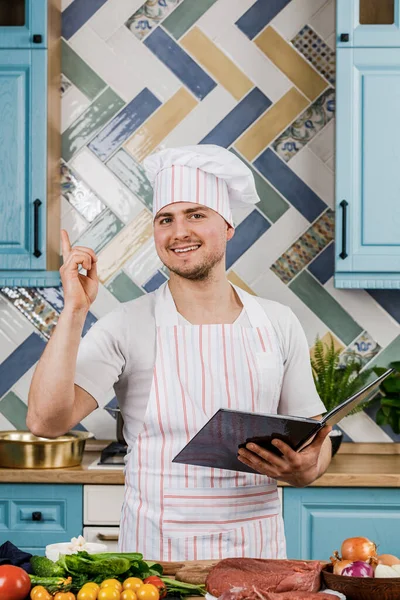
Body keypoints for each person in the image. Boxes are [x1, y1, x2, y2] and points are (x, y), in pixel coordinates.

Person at [27, 145, 332, 562]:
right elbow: (46, 421)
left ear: (227, 226)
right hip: (156, 561)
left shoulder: (277, 322)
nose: (179, 231)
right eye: (165, 219)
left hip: (257, 555)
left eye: (196, 215)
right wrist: (75, 311)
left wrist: (307, 469)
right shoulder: (127, 323)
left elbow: (315, 437)